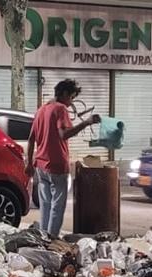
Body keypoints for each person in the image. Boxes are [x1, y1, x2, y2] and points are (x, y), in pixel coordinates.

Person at [26, 79, 100, 237]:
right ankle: (52, 238)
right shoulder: (60, 109)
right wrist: (86, 123)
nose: (71, 102)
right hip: (57, 165)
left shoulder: (41, 109)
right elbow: (64, 134)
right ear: (65, 93)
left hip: (41, 165)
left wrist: (29, 163)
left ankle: (43, 237)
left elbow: (31, 139)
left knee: (45, 205)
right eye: (71, 97)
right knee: (57, 206)